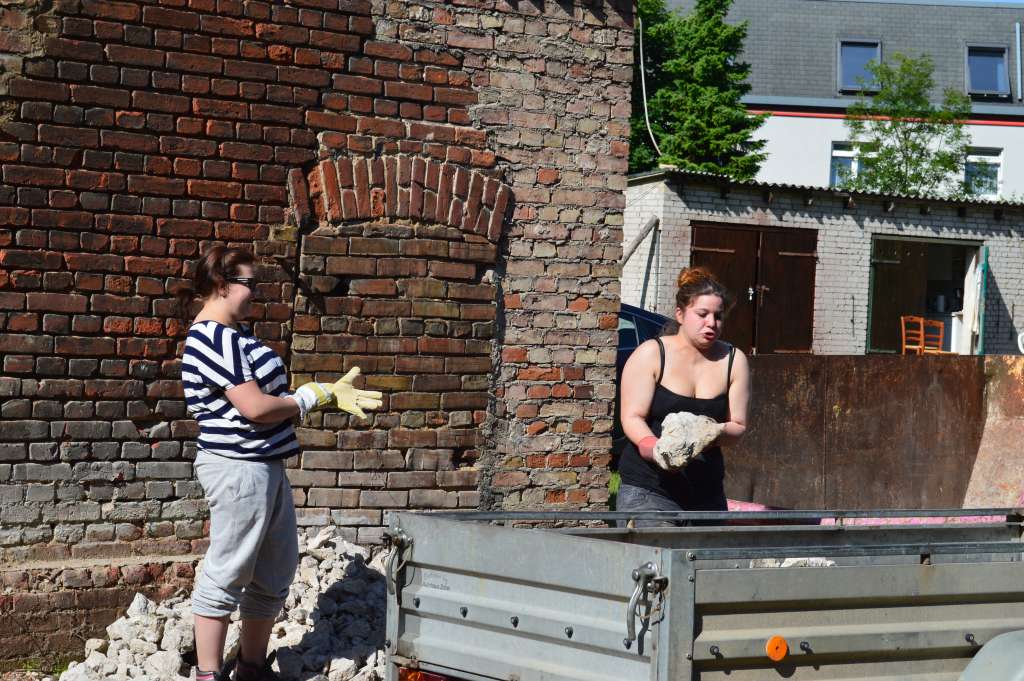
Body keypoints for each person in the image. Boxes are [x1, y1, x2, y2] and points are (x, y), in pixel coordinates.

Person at [177, 246, 382, 681]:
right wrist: (308, 397)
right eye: (250, 284)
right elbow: (254, 407)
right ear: (221, 284)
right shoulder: (212, 338)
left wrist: (321, 394)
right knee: (228, 570)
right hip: (237, 468)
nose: (256, 293)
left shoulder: (237, 334)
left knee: (274, 571)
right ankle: (208, 674)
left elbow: (267, 401)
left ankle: (251, 668)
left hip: (265, 464)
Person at [617, 267, 750, 527]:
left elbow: (739, 426)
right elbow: (632, 416)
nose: (711, 323)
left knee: (705, 555)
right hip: (649, 490)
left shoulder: (734, 361)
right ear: (680, 314)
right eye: (702, 314)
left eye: (718, 316)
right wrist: (655, 449)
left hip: (706, 495)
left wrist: (711, 432)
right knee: (657, 554)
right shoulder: (651, 354)